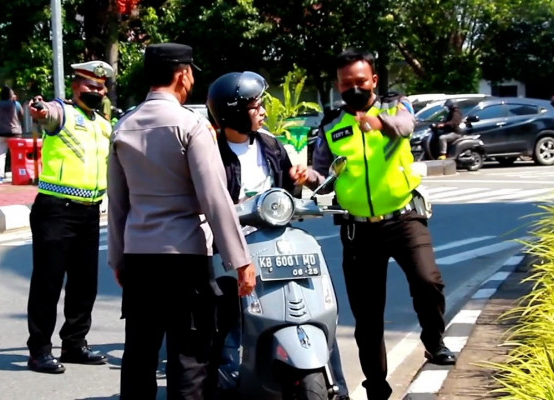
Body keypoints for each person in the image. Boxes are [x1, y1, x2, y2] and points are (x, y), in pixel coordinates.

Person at [290, 48, 456, 400]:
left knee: (428, 282)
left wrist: (380, 123)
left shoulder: (395, 106)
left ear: (374, 80)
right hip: (358, 229)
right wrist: (307, 177)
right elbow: (326, 177)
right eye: (346, 83)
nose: (354, 88)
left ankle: (434, 341)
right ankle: (376, 386)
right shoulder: (332, 125)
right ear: (338, 85)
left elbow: (407, 127)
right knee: (367, 316)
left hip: (403, 216)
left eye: (360, 81)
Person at [107, 42, 257, 400]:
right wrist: (240, 260)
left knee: (140, 355)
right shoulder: (191, 126)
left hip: (139, 259)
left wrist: (118, 259)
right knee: (190, 357)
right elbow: (214, 198)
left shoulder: (124, 126)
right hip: (185, 259)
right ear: (183, 75)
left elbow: (117, 204)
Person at [205, 70, 350, 399]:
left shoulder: (270, 144)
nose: (263, 111)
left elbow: (285, 195)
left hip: (275, 241)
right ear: (234, 113)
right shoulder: (211, 153)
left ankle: (337, 386)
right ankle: (224, 376)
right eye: (255, 106)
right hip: (232, 247)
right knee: (226, 313)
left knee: (319, 301)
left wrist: (298, 179)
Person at [25, 60, 114, 374]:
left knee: (84, 284)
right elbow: (45, 113)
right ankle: (39, 350)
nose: (97, 91)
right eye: (91, 85)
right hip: (56, 211)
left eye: (101, 87)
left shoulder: (103, 124)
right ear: (76, 86)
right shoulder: (62, 112)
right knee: (48, 283)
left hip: (90, 212)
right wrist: (39, 110)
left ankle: (74, 344)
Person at [0, 85, 24, 183]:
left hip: (1, 132)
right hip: (15, 132)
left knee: (0, 155)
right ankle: (17, 175)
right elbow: (21, 114)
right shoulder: (16, 104)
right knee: (16, 155)